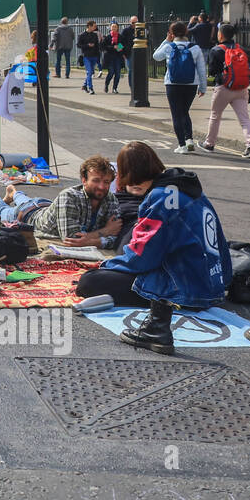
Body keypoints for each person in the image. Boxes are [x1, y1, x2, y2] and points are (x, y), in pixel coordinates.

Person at [75, 142, 231, 355]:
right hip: (211, 282)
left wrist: (106, 265)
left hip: (186, 288)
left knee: (90, 282)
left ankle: (157, 326)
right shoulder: (187, 189)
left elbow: (141, 257)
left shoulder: (161, 198)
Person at [0, 155, 121, 247]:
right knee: (1, 209)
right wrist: (106, 231)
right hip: (27, 215)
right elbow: (71, 239)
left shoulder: (111, 200)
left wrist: (90, 239)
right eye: (96, 181)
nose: (102, 187)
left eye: (106, 182)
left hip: (44, 205)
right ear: (84, 180)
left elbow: (117, 238)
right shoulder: (69, 196)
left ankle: (14, 194)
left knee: (25, 201)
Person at [199, 22, 250, 157]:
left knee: (215, 116)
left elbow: (213, 71)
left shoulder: (216, 50)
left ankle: (209, 143)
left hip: (224, 88)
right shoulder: (241, 48)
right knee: (244, 119)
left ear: (221, 35)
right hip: (242, 88)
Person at [152, 20, 207, 153]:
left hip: (172, 84)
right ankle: (189, 140)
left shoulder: (169, 47)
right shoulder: (195, 48)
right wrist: (203, 87)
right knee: (184, 112)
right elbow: (201, 69)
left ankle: (181, 145)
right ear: (186, 31)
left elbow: (156, 57)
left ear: (171, 33)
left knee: (176, 114)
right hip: (191, 84)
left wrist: (166, 40)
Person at [76, 21, 100, 94]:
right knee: (89, 72)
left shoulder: (95, 35)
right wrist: (87, 45)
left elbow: (97, 45)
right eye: (94, 26)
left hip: (94, 56)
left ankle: (85, 85)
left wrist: (98, 56)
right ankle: (91, 88)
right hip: (86, 56)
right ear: (89, 26)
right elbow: (78, 45)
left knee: (91, 72)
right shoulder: (82, 35)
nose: (95, 28)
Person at [101, 22, 125, 94]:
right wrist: (112, 47)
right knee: (111, 72)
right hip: (109, 57)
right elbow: (103, 47)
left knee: (117, 73)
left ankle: (115, 88)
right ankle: (106, 84)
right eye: (112, 27)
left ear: (117, 28)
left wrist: (119, 48)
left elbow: (123, 45)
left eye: (115, 27)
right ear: (110, 28)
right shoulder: (107, 37)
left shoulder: (120, 37)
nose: (114, 28)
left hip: (118, 57)